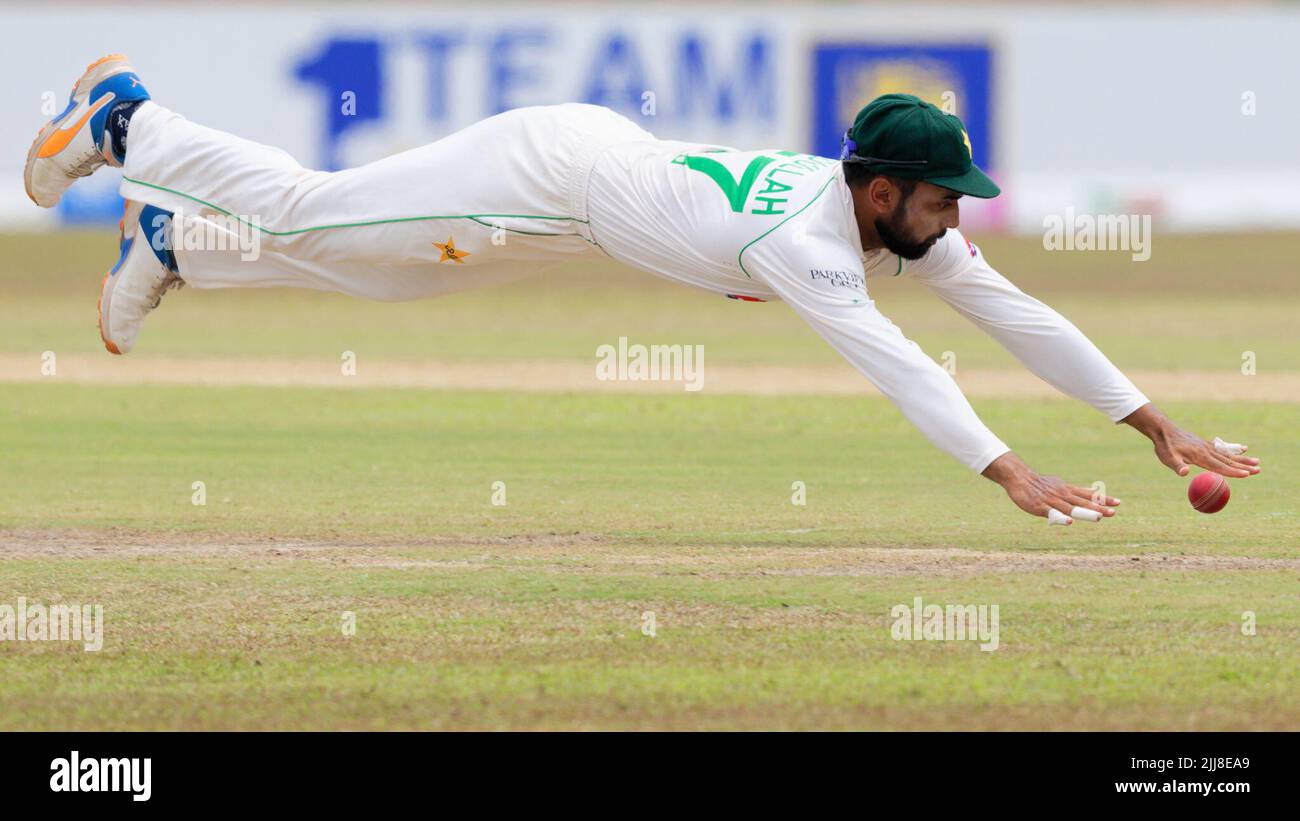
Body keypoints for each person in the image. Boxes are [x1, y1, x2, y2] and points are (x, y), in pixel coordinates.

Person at [25, 55, 1260, 523]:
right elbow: (898, 365)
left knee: (386, 282)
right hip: (543, 171)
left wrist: (1146, 423)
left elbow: (1017, 315)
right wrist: (1006, 469)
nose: (956, 221)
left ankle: (181, 245)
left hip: (588, 211)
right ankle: (132, 124)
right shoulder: (815, 248)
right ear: (879, 188)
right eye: (942, 201)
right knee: (319, 210)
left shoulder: (894, 227)